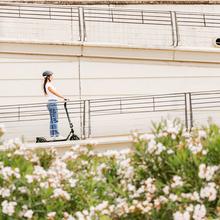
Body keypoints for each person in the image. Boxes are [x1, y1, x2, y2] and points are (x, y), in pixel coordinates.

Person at [42, 71, 67, 138]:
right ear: (48, 77)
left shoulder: (48, 84)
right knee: (54, 119)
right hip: (52, 103)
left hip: (52, 102)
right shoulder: (48, 85)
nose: (52, 77)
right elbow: (55, 93)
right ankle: (56, 135)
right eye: (51, 75)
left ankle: (53, 135)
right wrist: (63, 97)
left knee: (52, 120)